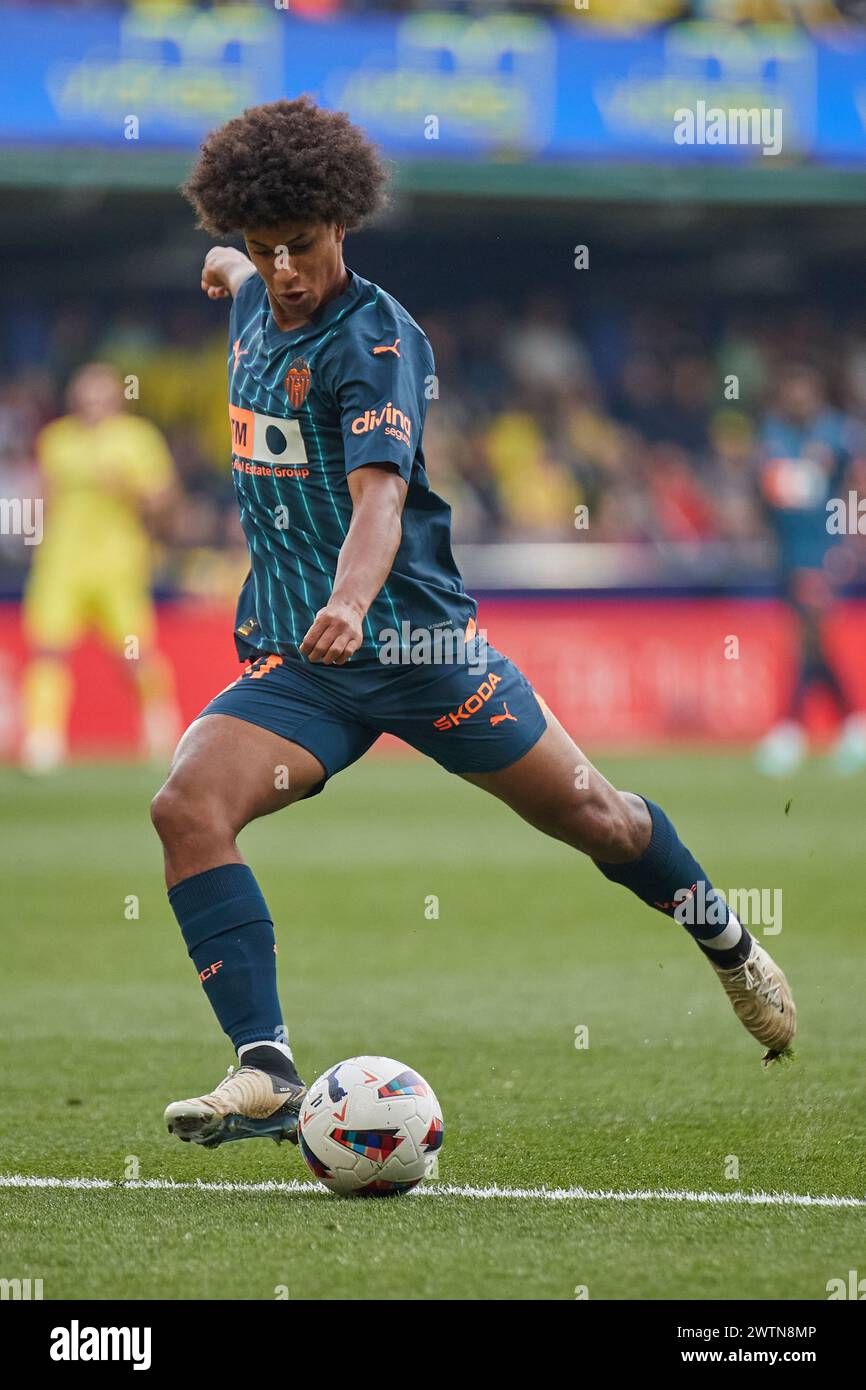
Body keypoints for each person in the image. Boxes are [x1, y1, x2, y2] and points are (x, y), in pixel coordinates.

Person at [152, 98, 795, 1153]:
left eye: (301, 248)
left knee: (601, 820)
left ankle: (723, 938)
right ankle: (265, 1063)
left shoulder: (375, 341)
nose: (285, 273)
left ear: (341, 223)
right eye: (265, 251)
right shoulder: (251, 288)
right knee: (184, 807)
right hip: (302, 667)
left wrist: (351, 602)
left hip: (412, 649)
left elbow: (379, 500)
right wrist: (229, 260)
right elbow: (230, 267)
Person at [22, 362, 180, 772]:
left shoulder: (137, 440)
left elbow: (163, 500)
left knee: (134, 653)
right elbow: (44, 497)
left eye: (100, 394)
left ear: (116, 397)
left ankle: (159, 727)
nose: (92, 402)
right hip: (61, 561)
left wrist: (132, 490)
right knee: (48, 649)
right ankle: (44, 741)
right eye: (85, 393)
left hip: (118, 562)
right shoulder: (56, 440)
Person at [755, 363, 866, 776]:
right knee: (812, 641)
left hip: (822, 553)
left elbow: (856, 487)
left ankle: (790, 729)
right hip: (789, 555)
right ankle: (854, 725)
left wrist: (849, 542)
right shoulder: (773, 434)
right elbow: (769, 491)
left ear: (816, 390)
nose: (797, 397)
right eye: (791, 389)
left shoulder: (838, 433)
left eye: (804, 388)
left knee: (808, 637)